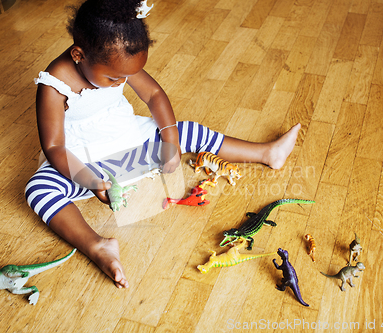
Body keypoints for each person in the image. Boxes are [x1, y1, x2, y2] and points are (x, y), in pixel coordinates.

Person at [25, 0, 301, 289]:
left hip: (131, 145)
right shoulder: (55, 82)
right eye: (113, 77)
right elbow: (55, 147)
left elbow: (154, 95)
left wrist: (170, 141)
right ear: (79, 55)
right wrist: (91, 181)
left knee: (187, 130)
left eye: (126, 75)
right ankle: (96, 246)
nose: (121, 81)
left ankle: (267, 153)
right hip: (86, 162)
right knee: (39, 188)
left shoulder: (116, 59)